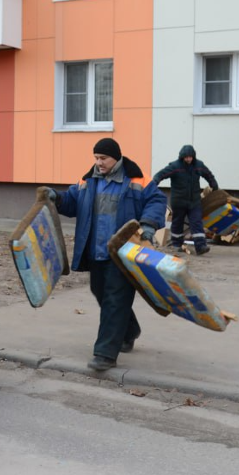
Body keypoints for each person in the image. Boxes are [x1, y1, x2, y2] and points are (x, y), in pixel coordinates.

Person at [46, 138, 167, 372]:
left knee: (115, 299)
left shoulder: (136, 180)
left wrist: (149, 224)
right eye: (96, 158)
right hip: (96, 251)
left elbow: (157, 200)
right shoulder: (88, 180)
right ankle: (129, 330)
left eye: (103, 158)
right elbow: (71, 202)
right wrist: (56, 197)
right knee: (100, 292)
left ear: (116, 158)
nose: (99, 163)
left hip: (124, 250)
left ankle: (105, 354)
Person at [151, 145, 218, 256]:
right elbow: (161, 174)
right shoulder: (175, 166)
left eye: (190, 157)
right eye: (186, 157)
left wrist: (214, 186)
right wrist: (155, 182)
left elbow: (209, 175)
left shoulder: (199, 165)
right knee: (178, 223)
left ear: (193, 157)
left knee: (196, 222)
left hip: (194, 201)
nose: (188, 159)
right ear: (182, 157)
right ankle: (176, 244)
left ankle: (200, 246)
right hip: (179, 202)